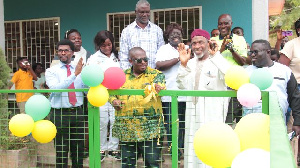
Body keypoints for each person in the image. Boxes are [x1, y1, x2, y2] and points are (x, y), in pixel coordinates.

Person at [176, 29, 230, 168]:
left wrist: (216, 56)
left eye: (201, 42)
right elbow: (181, 84)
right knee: (192, 147)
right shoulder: (190, 62)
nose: (197, 46)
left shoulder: (218, 61)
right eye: (194, 43)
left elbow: (229, 77)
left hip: (212, 115)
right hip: (192, 114)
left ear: (208, 43)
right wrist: (183, 65)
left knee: (211, 147)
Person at [109, 47, 165, 168]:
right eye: (139, 60)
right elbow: (111, 93)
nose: (143, 62)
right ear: (130, 61)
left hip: (150, 128)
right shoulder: (121, 76)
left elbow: (160, 84)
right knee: (127, 164)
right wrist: (114, 100)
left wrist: (158, 87)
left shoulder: (156, 74)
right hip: (127, 128)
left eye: (145, 59)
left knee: (152, 163)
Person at [245, 40, 300, 162]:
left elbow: (294, 97)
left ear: (268, 52)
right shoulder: (246, 72)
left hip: (277, 122)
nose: (252, 55)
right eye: (250, 52)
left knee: (274, 156)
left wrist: (297, 121)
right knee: (254, 156)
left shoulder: (284, 71)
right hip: (251, 122)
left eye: (256, 52)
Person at [45, 39, 86, 168]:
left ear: (72, 52)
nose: (63, 53)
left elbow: (86, 89)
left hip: (78, 112)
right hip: (60, 114)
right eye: (60, 50)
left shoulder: (80, 69)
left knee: (78, 151)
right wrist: (74, 75)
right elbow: (56, 90)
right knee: (61, 151)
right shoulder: (51, 71)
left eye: (66, 50)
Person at [86, 30, 121, 162]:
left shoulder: (117, 56)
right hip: (100, 94)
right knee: (102, 122)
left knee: (115, 121)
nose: (107, 48)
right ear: (98, 45)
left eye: (109, 44)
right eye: (103, 45)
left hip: (116, 94)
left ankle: (113, 149)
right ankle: (101, 149)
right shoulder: (93, 59)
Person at [155, 23, 186, 162]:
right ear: (167, 36)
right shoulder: (164, 49)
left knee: (183, 123)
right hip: (168, 94)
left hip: (185, 93)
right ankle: (174, 149)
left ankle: (181, 147)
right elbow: (159, 65)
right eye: (172, 34)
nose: (176, 36)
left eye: (178, 33)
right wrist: (179, 58)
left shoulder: (186, 48)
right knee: (171, 123)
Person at [211, 14, 248, 125]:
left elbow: (242, 62)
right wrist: (222, 48)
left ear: (231, 24)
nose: (223, 26)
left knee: (232, 117)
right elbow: (210, 60)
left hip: (234, 84)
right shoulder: (213, 40)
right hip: (218, 83)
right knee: (218, 116)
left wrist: (232, 50)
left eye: (226, 23)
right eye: (220, 24)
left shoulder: (240, 39)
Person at [278, 18, 300, 165]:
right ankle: (290, 159)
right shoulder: (292, 45)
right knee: (294, 127)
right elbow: (283, 69)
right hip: (296, 89)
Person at [119, 0, 165, 70]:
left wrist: (156, 73)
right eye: (142, 12)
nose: (145, 15)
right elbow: (123, 56)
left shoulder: (157, 30)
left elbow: (161, 54)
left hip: (153, 75)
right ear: (136, 12)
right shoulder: (127, 31)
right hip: (134, 77)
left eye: (147, 12)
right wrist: (129, 76)